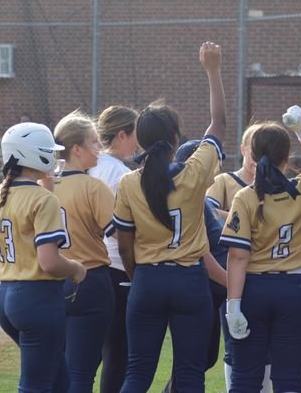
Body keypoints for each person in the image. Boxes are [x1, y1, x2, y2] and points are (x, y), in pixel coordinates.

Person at [113, 41, 225, 392]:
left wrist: (141, 275)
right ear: (176, 138)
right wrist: (213, 71)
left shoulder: (130, 182)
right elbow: (218, 123)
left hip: (147, 279)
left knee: (137, 372)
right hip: (190, 280)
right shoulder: (193, 173)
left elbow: (126, 246)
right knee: (190, 373)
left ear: (140, 142)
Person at [220, 106, 301, 393]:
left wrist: (233, 305)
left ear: (252, 156)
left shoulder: (245, 196)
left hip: (254, 289)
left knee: (245, 377)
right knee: (289, 378)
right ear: (286, 157)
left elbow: (238, 255)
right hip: (294, 287)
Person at [0, 122, 86, 392]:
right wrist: (76, 268)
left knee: (58, 382)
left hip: (6, 295)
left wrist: (47, 187)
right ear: (33, 154)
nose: (54, 157)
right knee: (36, 386)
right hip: (36, 298)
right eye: (48, 151)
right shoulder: (42, 199)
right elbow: (49, 262)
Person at [53, 111, 116, 392]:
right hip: (90, 279)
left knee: (60, 369)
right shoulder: (93, 187)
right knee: (81, 372)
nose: (99, 148)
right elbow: (119, 233)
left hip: (52, 280)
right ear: (75, 149)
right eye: (93, 142)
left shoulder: (45, 185)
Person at [206, 124, 273, 392]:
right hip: (232, 272)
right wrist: (241, 218)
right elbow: (207, 210)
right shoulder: (225, 181)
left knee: (266, 344)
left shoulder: (274, 184)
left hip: (265, 270)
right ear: (244, 149)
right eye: (252, 151)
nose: (256, 158)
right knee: (235, 342)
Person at [161, 139, 231, 393]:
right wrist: (231, 283)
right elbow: (200, 253)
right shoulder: (190, 202)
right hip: (201, 289)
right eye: (214, 158)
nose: (218, 163)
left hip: (212, 293)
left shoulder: (206, 201)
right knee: (193, 361)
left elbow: (230, 220)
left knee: (203, 358)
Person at [88, 105, 139, 393]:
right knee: (117, 352)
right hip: (116, 268)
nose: (137, 143)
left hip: (83, 266)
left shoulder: (87, 165)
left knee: (85, 354)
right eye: (134, 135)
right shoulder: (120, 174)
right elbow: (125, 230)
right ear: (121, 135)